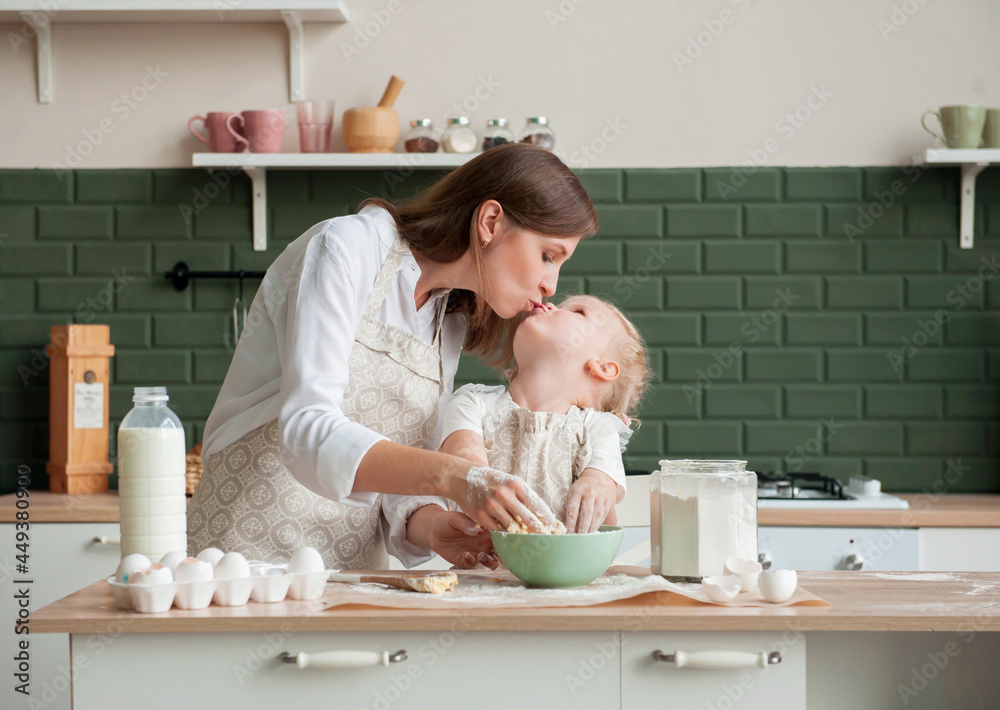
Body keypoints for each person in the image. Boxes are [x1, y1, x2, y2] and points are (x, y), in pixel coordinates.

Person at [186, 144, 599, 570]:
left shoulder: (450, 319)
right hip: (241, 560)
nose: (552, 284)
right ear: (490, 221)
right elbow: (306, 431)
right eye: (548, 256)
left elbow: (398, 475)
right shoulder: (347, 247)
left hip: (351, 577)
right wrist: (458, 477)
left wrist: (436, 526)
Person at [396, 294, 653, 567]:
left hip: (568, 584)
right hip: (484, 581)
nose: (551, 303)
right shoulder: (472, 404)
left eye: (578, 312)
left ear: (602, 368)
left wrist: (596, 487)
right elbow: (467, 463)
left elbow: (602, 486)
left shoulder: (599, 430)